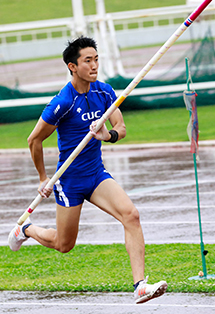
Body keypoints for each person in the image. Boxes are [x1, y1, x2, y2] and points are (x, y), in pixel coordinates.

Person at [8, 36, 167, 304]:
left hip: (96, 175)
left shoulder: (104, 92)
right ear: (72, 66)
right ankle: (25, 230)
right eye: (87, 61)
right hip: (68, 180)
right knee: (64, 244)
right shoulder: (63, 102)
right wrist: (43, 178)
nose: (94, 66)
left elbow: (121, 129)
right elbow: (34, 140)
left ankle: (140, 285)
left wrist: (107, 136)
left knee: (131, 215)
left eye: (96, 59)